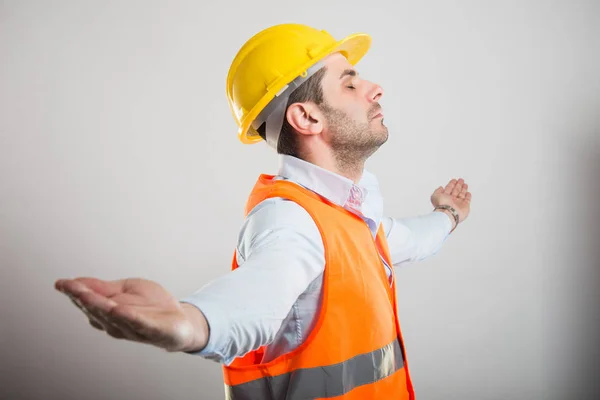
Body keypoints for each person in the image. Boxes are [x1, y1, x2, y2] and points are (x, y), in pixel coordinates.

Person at [55, 23, 472, 399]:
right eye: (349, 85)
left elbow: (411, 239)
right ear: (306, 116)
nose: (375, 88)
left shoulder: (352, 219)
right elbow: (256, 298)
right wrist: (190, 324)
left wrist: (447, 214)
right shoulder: (292, 220)